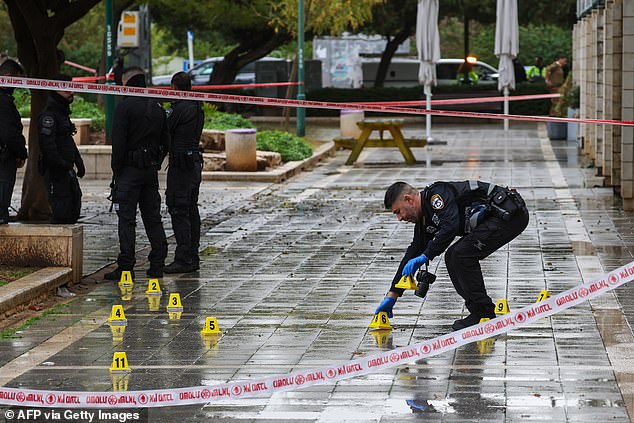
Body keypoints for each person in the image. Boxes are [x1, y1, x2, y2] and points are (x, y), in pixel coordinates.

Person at [377, 181, 529, 331]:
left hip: (508, 214)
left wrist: (426, 255)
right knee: (454, 256)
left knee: (459, 255)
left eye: (398, 211)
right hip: (500, 217)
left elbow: (450, 226)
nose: (400, 218)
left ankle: (483, 313)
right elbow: (413, 252)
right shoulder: (425, 219)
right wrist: (393, 293)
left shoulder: (437, 195)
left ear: (408, 199)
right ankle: (481, 311)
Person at [104, 67, 169, 281]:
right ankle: (157, 264)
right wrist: (155, 163)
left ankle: (126, 267)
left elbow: (119, 144)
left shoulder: (125, 107)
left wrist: (117, 171)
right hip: (149, 171)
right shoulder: (158, 106)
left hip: (129, 172)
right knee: (153, 218)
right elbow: (165, 142)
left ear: (127, 83)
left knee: (127, 220)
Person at [163, 72, 204, 274]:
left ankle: (184, 258)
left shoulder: (179, 108)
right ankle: (192, 255)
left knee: (179, 208)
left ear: (175, 88)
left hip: (181, 165)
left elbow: (164, 128)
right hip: (194, 162)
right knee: (191, 209)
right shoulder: (197, 105)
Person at [38, 73, 84, 224]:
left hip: (66, 169)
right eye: (66, 89)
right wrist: (61, 164)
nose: (71, 93)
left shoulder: (61, 113)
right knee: (62, 210)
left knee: (74, 203)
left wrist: (78, 161)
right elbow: (48, 145)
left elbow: (67, 139)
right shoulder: (49, 115)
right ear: (56, 90)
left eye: (71, 88)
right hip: (56, 171)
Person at [0, 59, 28, 224]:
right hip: (3, 158)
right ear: (8, 77)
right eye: (17, 80)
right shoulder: (3, 101)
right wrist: (21, 152)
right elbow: (8, 132)